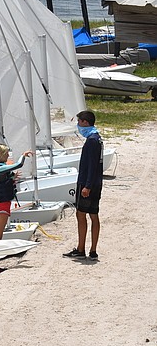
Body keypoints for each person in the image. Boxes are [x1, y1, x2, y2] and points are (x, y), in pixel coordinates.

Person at [0, 144, 34, 274]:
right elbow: (18, 165)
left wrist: (12, 178)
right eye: (7, 153)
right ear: (1, 154)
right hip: (1, 206)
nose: (8, 156)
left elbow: (2, 181)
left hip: (0, 204)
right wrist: (23, 156)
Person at [64, 110, 103, 260]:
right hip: (96, 182)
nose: (78, 125)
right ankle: (92, 251)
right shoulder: (97, 138)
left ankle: (82, 249)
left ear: (85, 122)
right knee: (94, 215)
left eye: (79, 122)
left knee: (81, 214)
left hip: (88, 183)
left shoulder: (92, 140)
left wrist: (87, 186)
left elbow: (92, 165)